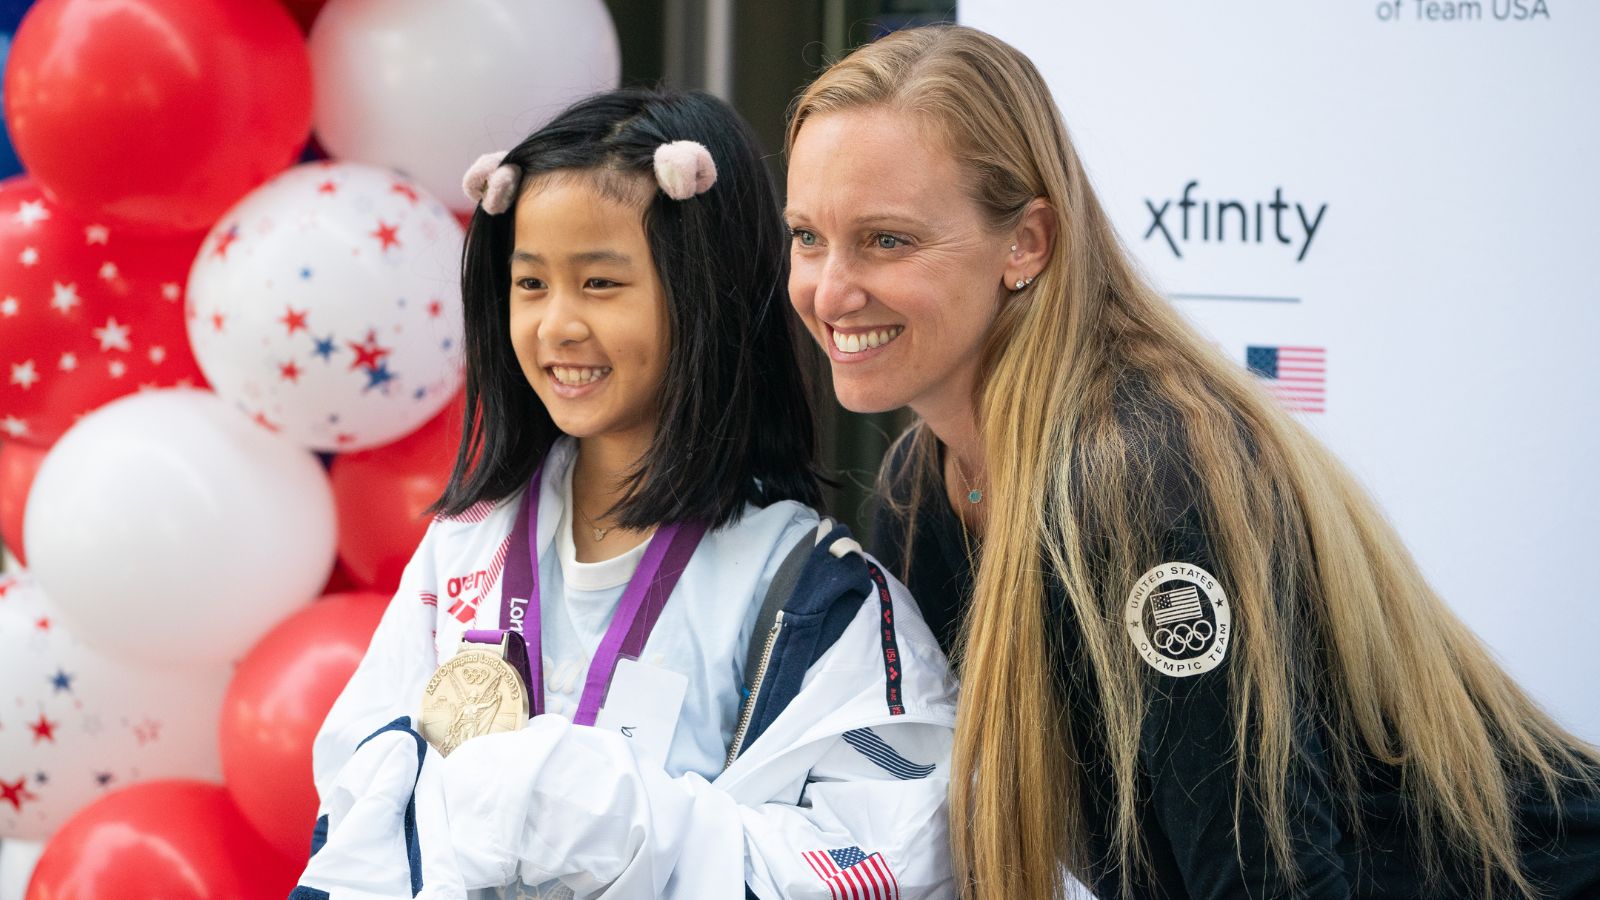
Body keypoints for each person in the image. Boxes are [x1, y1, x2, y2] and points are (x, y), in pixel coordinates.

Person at [781, 23, 1600, 900]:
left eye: (887, 240)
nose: (830, 291)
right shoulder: (921, 488)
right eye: (807, 236)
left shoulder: (1139, 480)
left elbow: (1266, 885)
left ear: (1027, 243)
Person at [293, 88, 957, 900]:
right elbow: (358, 797)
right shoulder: (465, 544)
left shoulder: (817, 595)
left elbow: (889, 861)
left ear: (704, 292)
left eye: (600, 284)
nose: (557, 325)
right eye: (530, 284)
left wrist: (616, 818)